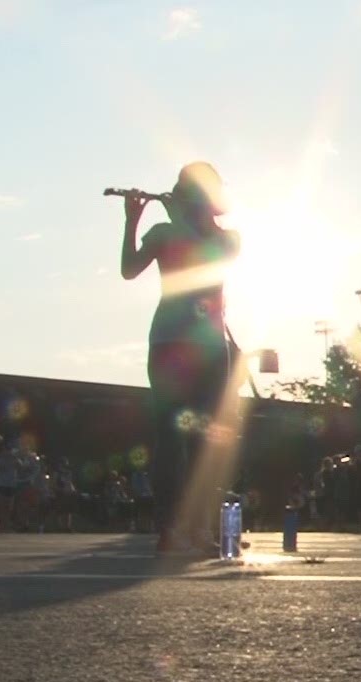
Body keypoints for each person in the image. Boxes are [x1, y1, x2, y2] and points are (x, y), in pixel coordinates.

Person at [119, 162, 240, 554]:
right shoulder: (165, 233)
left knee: (204, 443)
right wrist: (131, 222)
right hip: (178, 344)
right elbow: (128, 270)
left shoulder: (227, 239)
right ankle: (172, 530)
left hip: (199, 345)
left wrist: (176, 220)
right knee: (172, 440)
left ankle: (197, 529)